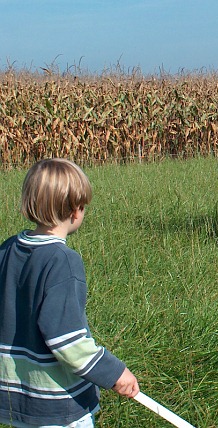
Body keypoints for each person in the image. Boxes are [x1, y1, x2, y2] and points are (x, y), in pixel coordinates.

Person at [0, 158, 139, 427]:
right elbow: (67, 340)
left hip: (14, 397)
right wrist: (114, 372)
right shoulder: (62, 261)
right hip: (56, 404)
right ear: (76, 211)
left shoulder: (7, 250)